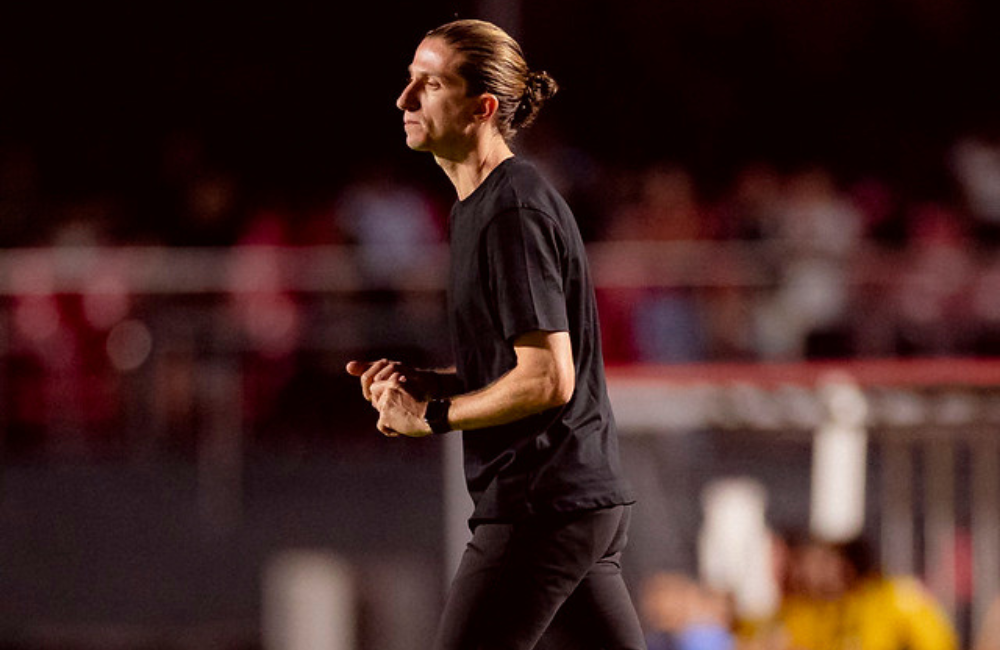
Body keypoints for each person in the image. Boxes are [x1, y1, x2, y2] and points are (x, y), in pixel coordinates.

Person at [346, 18, 644, 650]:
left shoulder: (512, 208)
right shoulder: (481, 205)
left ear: (482, 108)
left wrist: (432, 415)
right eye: (408, 80)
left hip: (540, 505)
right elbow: (526, 364)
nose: (405, 100)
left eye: (428, 84)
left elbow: (550, 378)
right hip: (572, 502)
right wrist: (435, 382)